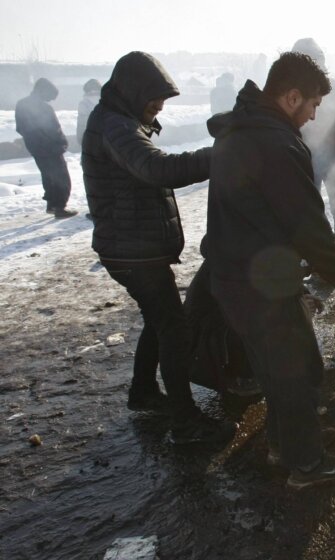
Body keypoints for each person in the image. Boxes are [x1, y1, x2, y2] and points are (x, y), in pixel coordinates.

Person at [206, 52, 335, 489]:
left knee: (275, 370)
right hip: (259, 284)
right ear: (292, 96)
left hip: (236, 277)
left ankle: (285, 444)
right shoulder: (277, 145)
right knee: (296, 372)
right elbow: (308, 226)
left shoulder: (241, 129)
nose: (314, 115)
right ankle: (307, 465)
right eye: (313, 104)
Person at [82, 51, 234, 444]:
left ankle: (144, 393)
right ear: (133, 91)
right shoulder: (115, 127)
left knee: (159, 320)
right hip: (131, 251)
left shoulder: (119, 121)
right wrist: (223, 156)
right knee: (174, 327)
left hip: (131, 246)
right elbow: (157, 168)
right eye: (154, 98)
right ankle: (185, 421)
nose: (160, 106)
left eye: (163, 99)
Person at [292, 38, 335, 252]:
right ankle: (332, 252)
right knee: (327, 207)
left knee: (317, 207)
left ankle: (328, 253)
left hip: (318, 156)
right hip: (312, 156)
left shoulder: (331, 87)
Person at [14, 78, 76, 218]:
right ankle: (60, 207)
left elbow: (20, 128)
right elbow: (54, 129)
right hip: (51, 148)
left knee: (48, 176)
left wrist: (32, 140)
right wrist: (61, 143)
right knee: (62, 179)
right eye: (50, 97)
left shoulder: (21, 104)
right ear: (44, 91)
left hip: (35, 148)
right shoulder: (44, 108)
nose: (51, 100)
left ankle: (51, 205)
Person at [76, 78, 101, 146]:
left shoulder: (84, 104)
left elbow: (82, 123)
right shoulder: (106, 102)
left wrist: (80, 139)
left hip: (90, 139)